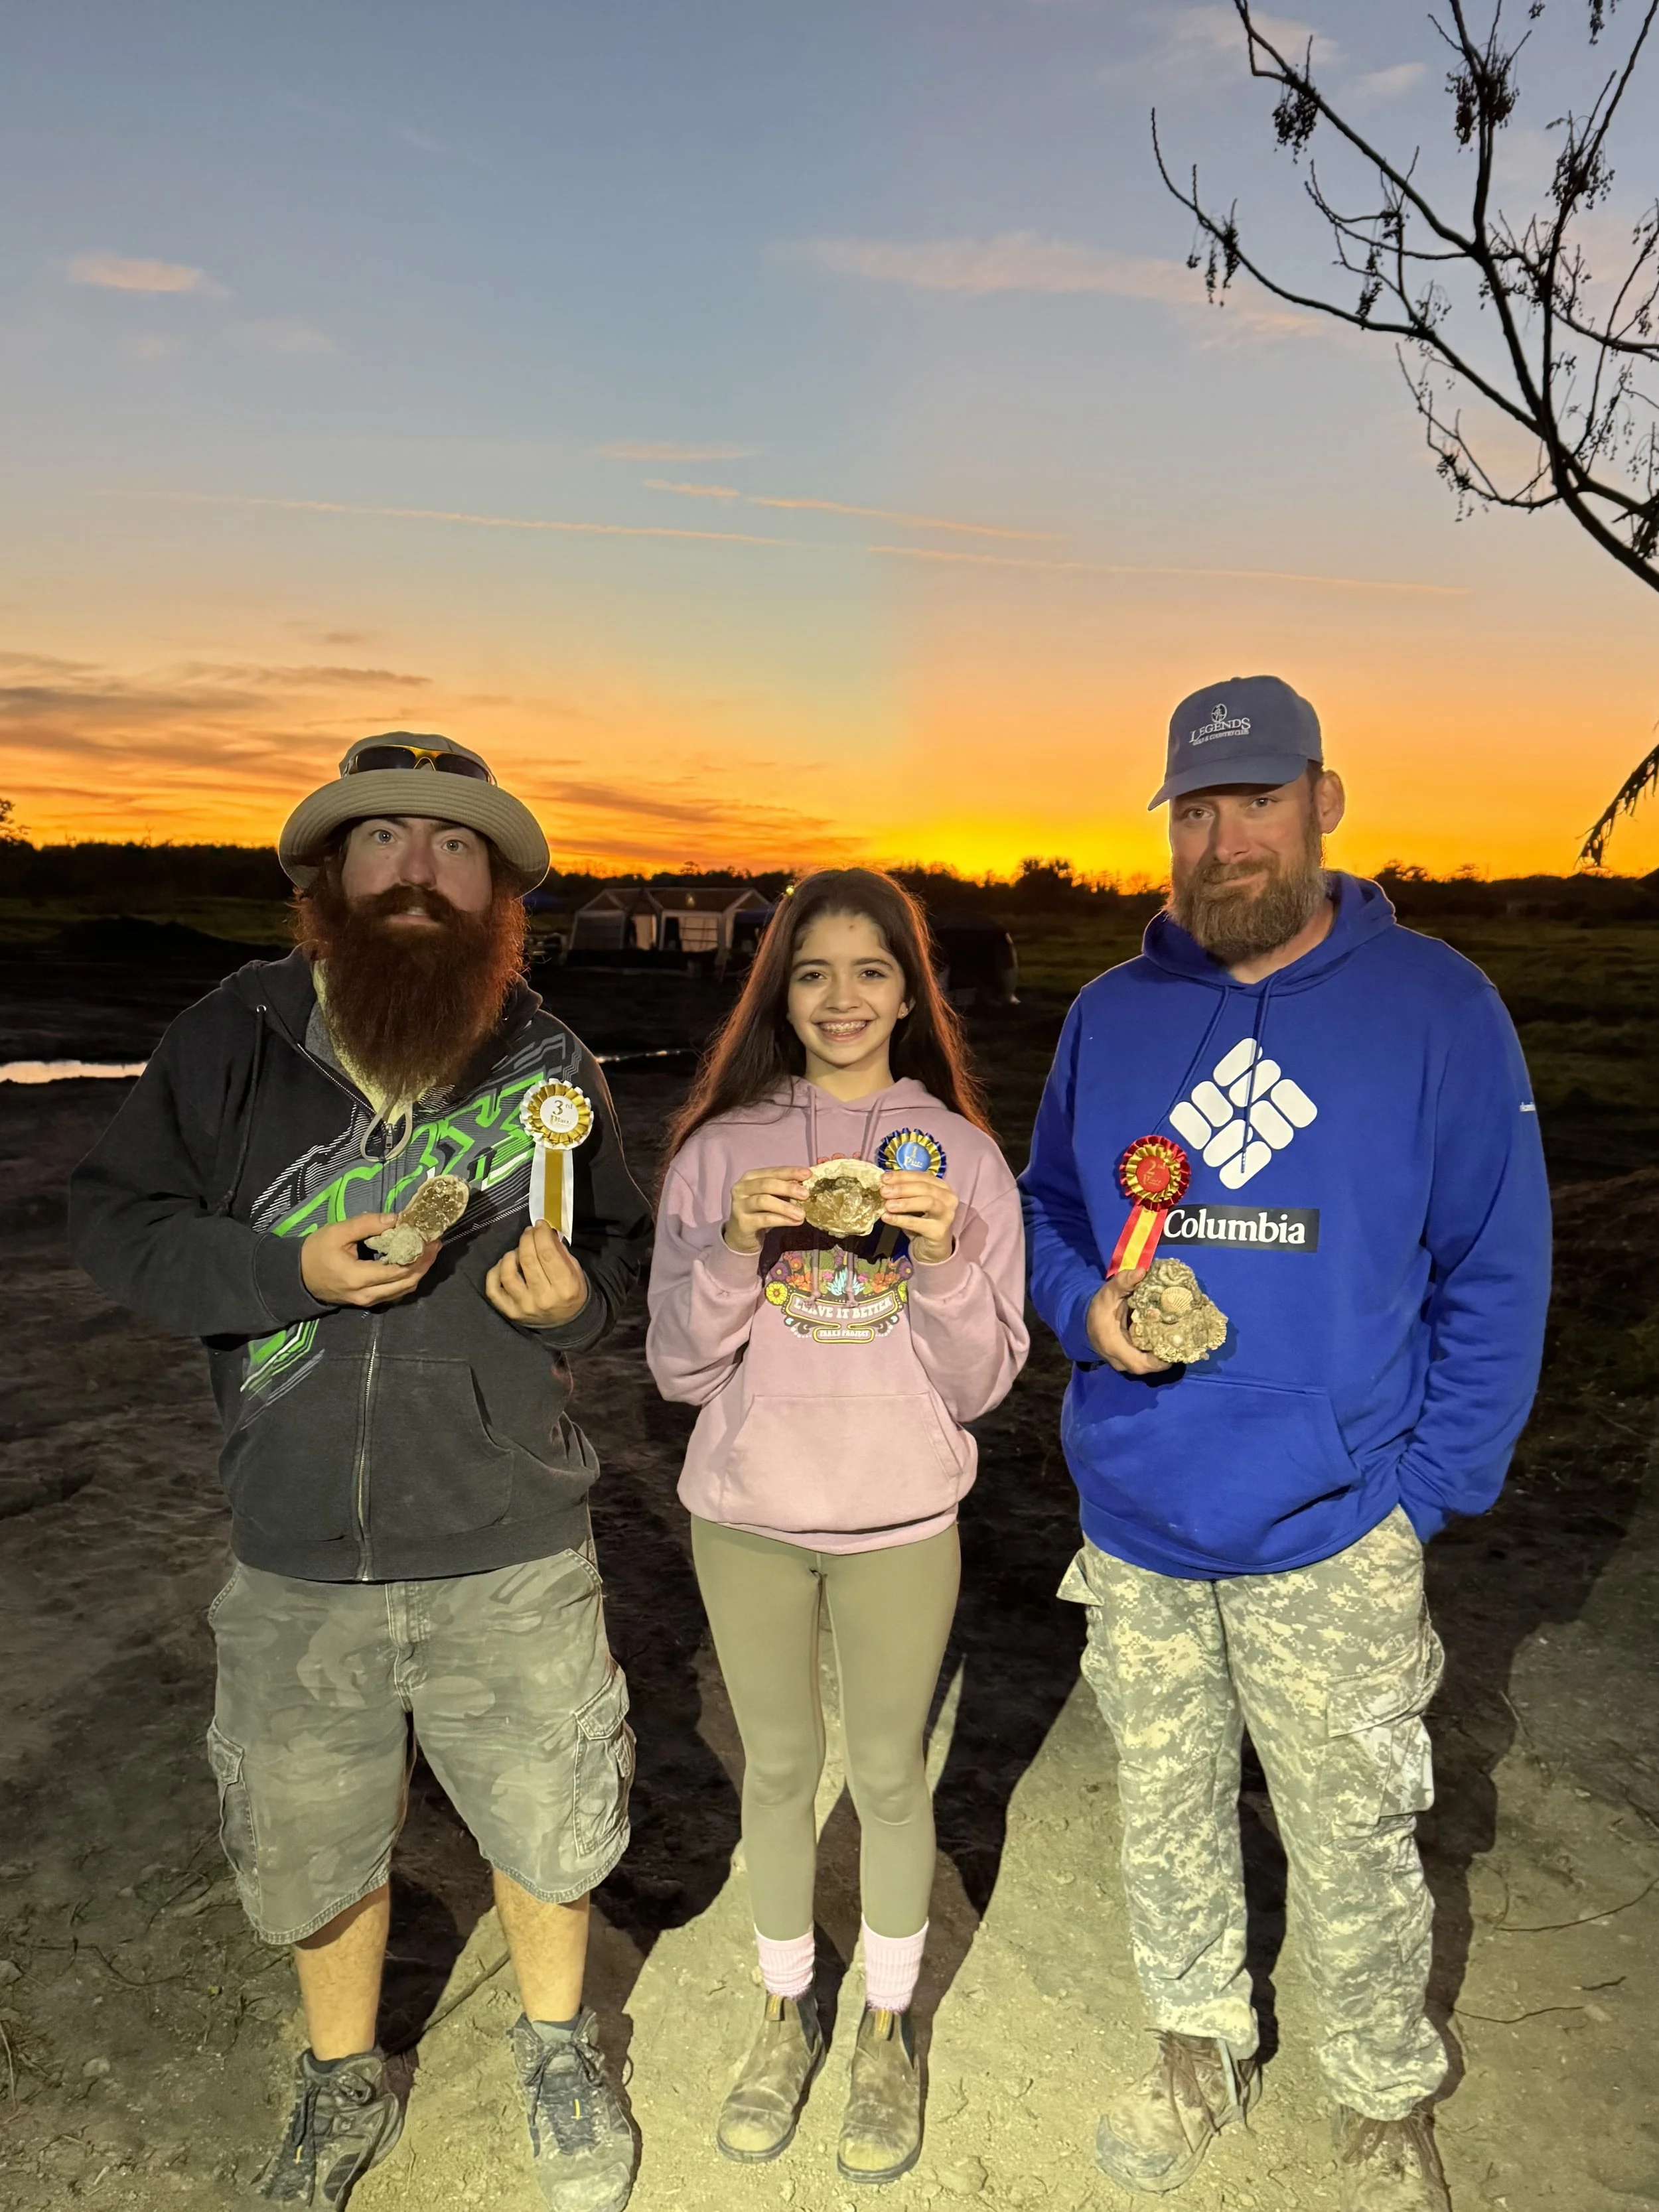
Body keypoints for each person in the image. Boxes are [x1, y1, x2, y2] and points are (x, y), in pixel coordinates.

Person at [69, 734, 653, 2212]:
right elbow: (120, 1223)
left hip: (508, 1534)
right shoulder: (231, 1037)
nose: (419, 870)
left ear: (500, 889)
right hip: (296, 1546)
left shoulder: (550, 1063)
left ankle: (554, 2040)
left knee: (547, 1811)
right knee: (315, 1837)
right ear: (328, 874)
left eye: (456, 847)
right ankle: (342, 2079)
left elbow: (624, 1260)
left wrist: (570, 1304)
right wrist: (283, 1267)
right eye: (385, 837)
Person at [1020, 678, 1551, 2212]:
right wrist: (1085, 1312)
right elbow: (1054, 1206)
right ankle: (1198, 2045)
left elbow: (1494, 1266)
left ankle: (1380, 2091)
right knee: (1167, 1804)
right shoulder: (1111, 1014)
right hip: (1136, 1512)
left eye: (1253, 800)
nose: (1221, 836)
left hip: (1334, 1518)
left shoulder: (1437, 1006)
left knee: (1353, 1824)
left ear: (1324, 800)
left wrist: (1425, 1492)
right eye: (1193, 808)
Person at [646, 868, 1028, 2185]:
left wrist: (936, 1258)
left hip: (898, 1519)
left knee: (886, 1773)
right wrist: (727, 1257)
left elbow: (982, 1383)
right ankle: (778, 2012)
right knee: (770, 1764)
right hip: (746, 1515)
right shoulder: (721, 1150)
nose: (842, 996)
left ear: (910, 992)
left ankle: (882, 2026)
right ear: (778, 991)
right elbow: (677, 1371)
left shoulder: (963, 1159)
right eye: (811, 970)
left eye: (871, 969)